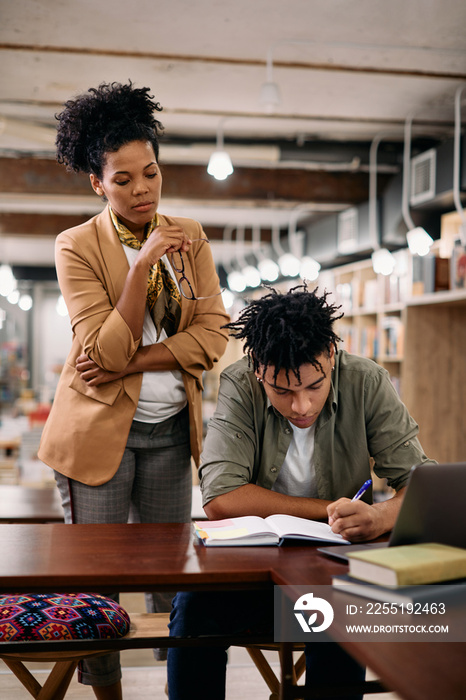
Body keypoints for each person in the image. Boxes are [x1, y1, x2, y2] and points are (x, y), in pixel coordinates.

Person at [38, 81, 229, 700]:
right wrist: (144, 262)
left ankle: (181, 689)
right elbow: (101, 351)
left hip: (173, 432)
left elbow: (213, 337)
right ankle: (109, 695)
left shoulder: (191, 234)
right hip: (97, 438)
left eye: (150, 173)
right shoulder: (76, 246)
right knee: (96, 585)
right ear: (98, 183)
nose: (142, 188)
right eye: (123, 179)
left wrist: (127, 364)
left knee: (172, 581)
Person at [167, 285, 434, 700]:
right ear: (258, 368)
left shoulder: (367, 381)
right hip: (251, 577)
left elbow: (424, 487)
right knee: (193, 608)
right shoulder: (239, 383)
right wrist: (328, 509)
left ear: (331, 353)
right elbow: (220, 495)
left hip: (331, 574)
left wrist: (379, 516)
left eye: (314, 386)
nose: (302, 406)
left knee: (345, 609)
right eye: (282, 391)